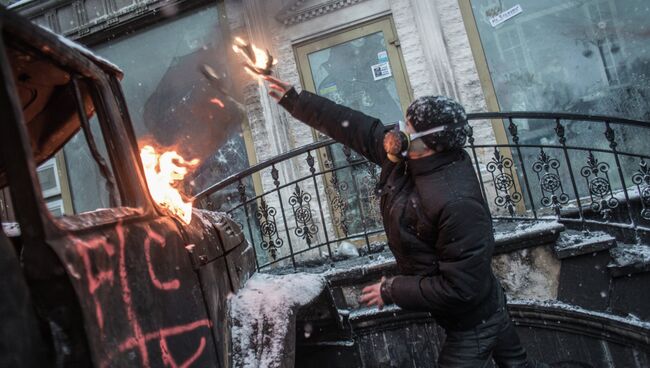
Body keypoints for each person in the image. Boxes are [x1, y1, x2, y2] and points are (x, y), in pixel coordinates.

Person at [263, 75, 537, 367]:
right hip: (479, 307)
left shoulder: (457, 203)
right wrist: (296, 100)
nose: (399, 129)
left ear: (429, 141)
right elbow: (354, 127)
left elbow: (460, 289)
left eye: (408, 126)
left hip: (474, 321)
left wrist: (392, 289)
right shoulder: (406, 156)